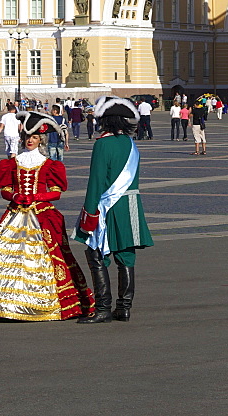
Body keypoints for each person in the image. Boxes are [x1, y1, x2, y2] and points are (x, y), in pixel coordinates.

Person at [0, 111, 92, 321]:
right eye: (27, 137)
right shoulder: (13, 162)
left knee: (46, 257)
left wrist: (37, 196)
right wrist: (15, 195)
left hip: (41, 215)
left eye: (34, 138)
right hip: (15, 213)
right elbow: (5, 188)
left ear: (41, 139)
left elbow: (57, 192)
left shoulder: (49, 164)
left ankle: (47, 303)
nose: (30, 141)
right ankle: (4, 303)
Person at [74, 97, 154, 323]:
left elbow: (96, 182)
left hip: (109, 207)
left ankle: (103, 308)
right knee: (126, 255)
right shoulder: (130, 144)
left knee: (96, 253)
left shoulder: (102, 144)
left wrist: (89, 213)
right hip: (131, 205)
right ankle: (124, 307)